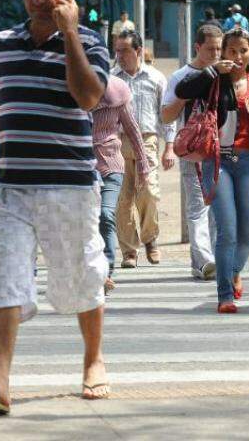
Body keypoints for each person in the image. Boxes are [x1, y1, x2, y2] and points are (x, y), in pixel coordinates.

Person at [0, 0, 111, 414]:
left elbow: (87, 97)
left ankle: (94, 359)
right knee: (2, 272)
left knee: (82, 272)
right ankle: (0, 382)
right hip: (11, 187)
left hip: (70, 186)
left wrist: (69, 35)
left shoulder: (91, 42)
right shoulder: (2, 43)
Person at [177, 28, 249, 313]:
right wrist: (211, 71)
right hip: (218, 161)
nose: (238, 56)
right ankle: (225, 295)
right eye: (232, 51)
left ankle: (232, 270)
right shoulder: (212, 80)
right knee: (227, 231)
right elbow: (183, 91)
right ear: (223, 52)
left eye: (244, 51)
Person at [160, 24, 221, 281]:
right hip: (193, 150)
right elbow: (166, 115)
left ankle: (206, 262)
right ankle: (206, 259)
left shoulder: (223, 72)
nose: (216, 54)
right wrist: (184, 96)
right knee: (198, 208)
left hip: (220, 150)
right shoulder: (181, 76)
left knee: (218, 208)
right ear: (197, 47)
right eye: (210, 49)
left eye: (219, 49)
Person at [111, 29, 176, 268]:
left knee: (147, 191)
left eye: (125, 50)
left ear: (138, 50)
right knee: (122, 199)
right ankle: (129, 250)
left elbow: (167, 115)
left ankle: (150, 238)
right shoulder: (111, 78)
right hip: (117, 143)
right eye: (117, 50)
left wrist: (169, 146)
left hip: (147, 140)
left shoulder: (156, 78)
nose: (119, 55)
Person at [92, 69, 149, 292]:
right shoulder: (71, 90)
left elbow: (133, 129)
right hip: (82, 166)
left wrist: (143, 162)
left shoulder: (116, 91)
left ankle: (107, 271)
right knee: (86, 222)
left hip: (111, 163)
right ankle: (91, 271)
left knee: (105, 214)